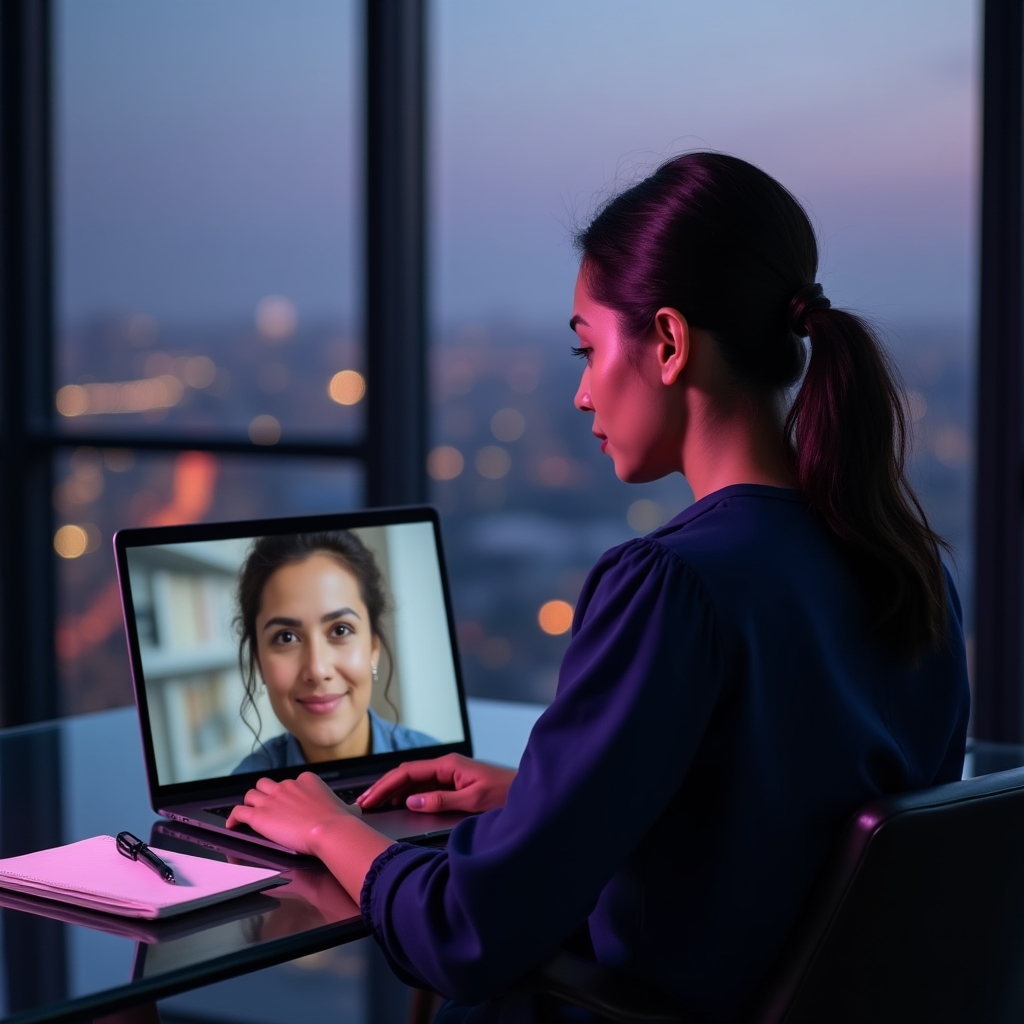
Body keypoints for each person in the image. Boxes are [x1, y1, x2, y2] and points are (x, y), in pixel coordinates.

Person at [227, 153, 970, 1022]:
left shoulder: (671, 586)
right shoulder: (911, 571)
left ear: (666, 342)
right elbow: (792, 828)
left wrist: (326, 826)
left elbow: (467, 931)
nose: (582, 394)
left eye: (588, 347)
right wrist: (544, 797)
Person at [231, 530, 436, 774]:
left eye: (340, 630)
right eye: (286, 637)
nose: (317, 670)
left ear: (373, 647)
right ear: (258, 661)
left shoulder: (439, 769)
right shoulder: (241, 797)